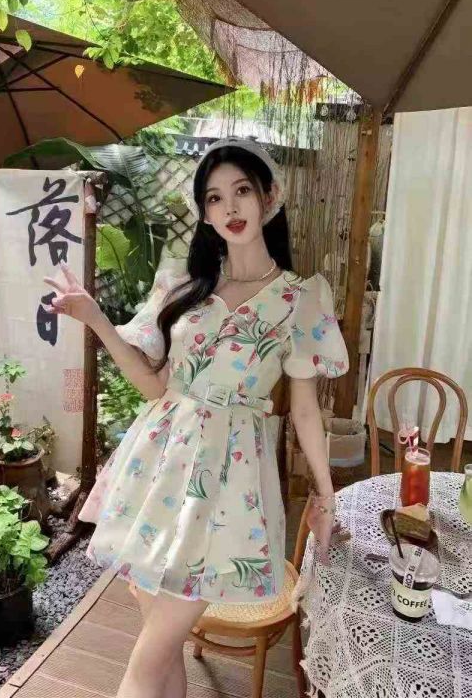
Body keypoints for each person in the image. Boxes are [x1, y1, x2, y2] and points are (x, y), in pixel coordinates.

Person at [43, 137, 348, 698]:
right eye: (214, 198)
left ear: (269, 197)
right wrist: (95, 318)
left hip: (226, 487)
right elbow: (155, 387)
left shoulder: (300, 298)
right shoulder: (186, 286)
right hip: (154, 471)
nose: (230, 208)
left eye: (241, 191)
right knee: (161, 647)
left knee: (148, 657)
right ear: (204, 213)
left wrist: (326, 497)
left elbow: (305, 409)